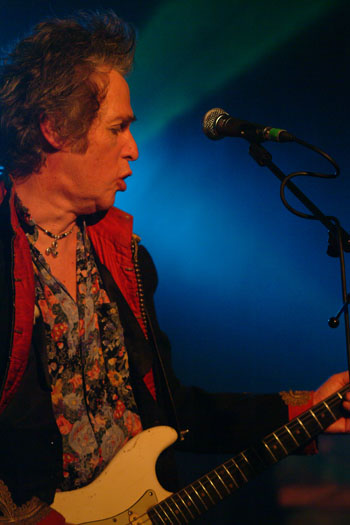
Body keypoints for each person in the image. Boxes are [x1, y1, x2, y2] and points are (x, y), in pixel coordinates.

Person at [0, 10, 349, 525]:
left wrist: (306, 411)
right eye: (117, 128)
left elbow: (173, 411)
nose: (133, 149)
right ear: (54, 129)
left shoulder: (125, 257)